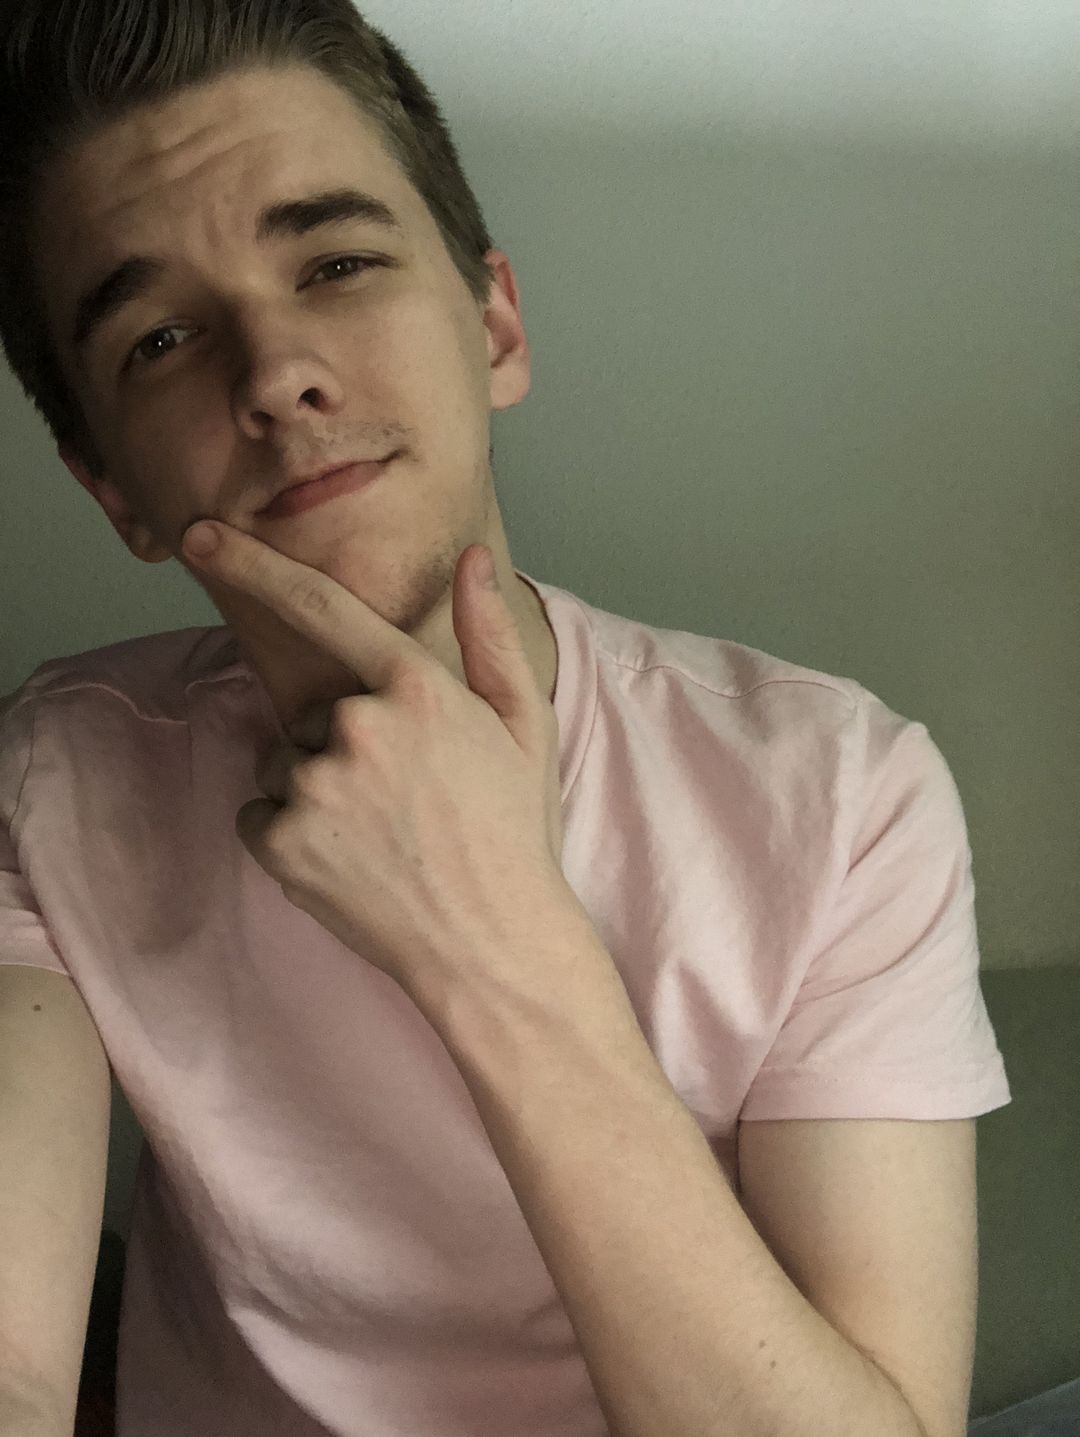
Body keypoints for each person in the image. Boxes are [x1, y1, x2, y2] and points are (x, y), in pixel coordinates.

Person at [0, 3, 1011, 1435]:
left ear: (495, 326)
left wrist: (492, 941)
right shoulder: (54, 777)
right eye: (160, 336)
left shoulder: (845, 797)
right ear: (113, 490)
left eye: (336, 264)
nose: (276, 373)